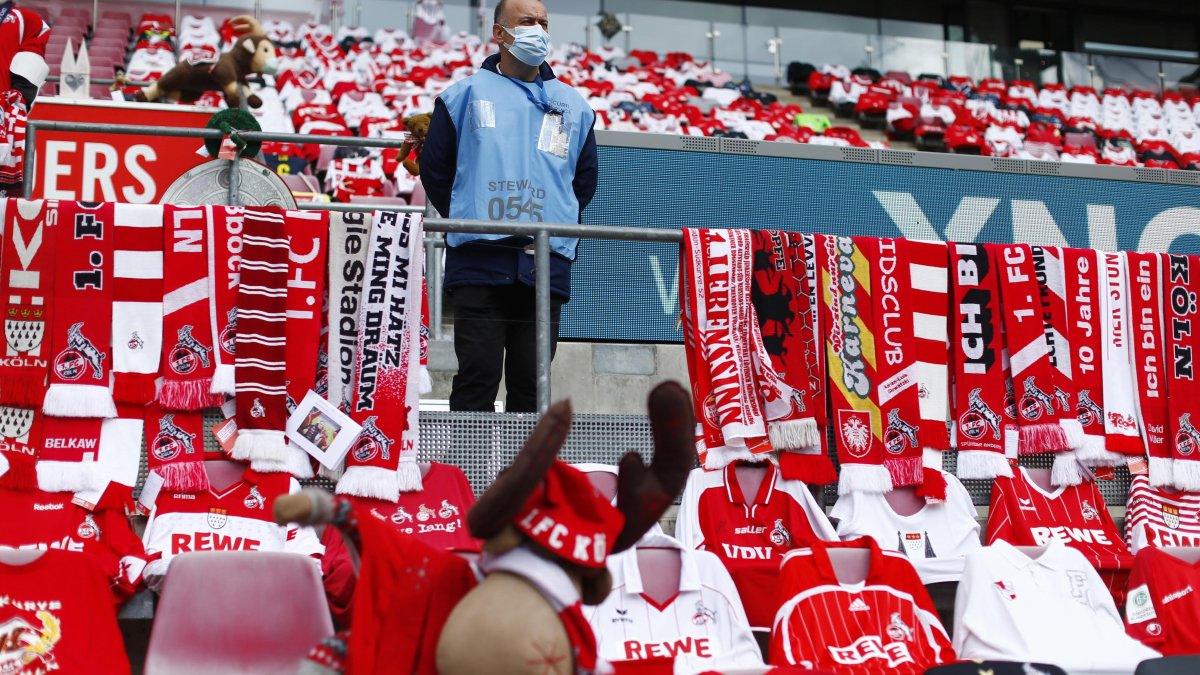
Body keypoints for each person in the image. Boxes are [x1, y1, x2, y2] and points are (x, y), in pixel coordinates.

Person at [420, 0, 597, 413]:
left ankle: (526, 479)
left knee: (532, 386)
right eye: (527, 22)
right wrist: (475, 215)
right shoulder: (462, 96)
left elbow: (583, 180)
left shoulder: (574, 105)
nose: (538, 29)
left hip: (546, 263)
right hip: (480, 262)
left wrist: (548, 218)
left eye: (544, 23)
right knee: (476, 378)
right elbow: (436, 170)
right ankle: (468, 475)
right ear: (499, 33)